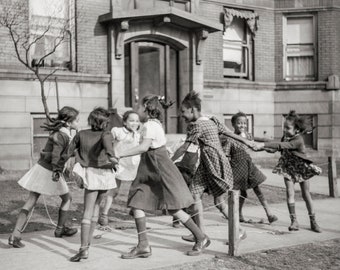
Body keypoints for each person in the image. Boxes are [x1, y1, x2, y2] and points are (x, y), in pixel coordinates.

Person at [117, 95, 210, 259]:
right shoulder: (152, 124)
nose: (137, 110)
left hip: (158, 168)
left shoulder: (150, 126)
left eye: (140, 107)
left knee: (173, 207)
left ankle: (201, 237)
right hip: (150, 169)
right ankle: (143, 245)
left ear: (147, 109)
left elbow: (144, 147)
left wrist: (120, 154)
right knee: (137, 203)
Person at [171, 91, 253, 243]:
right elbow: (228, 133)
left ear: (193, 110)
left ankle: (239, 231)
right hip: (206, 162)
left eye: (183, 112)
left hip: (215, 163)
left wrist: (169, 162)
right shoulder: (212, 120)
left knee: (219, 201)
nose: (181, 115)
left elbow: (184, 148)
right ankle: (200, 234)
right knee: (195, 195)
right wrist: (246, 142)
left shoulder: (196, 125)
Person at [8, 106, 80, 248]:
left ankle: (15, 235)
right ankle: (60, 229)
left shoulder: (60, 133)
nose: (78, 123)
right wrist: (58, 170)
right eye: (77, 121)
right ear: (69, 122)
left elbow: (58, 153)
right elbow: (56, 156)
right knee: (67, 198)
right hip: (51, 171)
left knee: (32, 200)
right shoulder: (62, 135)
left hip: (42, 168)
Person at [254, 110, 322, 233]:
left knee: (306, 195)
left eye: (288, 128)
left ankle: (313, 221)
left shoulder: (298, 139)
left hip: (301, 168)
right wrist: (263, 148)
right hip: (288, 168)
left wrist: (263, 143)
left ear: (296, 129)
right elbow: (278, 148)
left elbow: (284, 146)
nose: (284, 130)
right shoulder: (286, 137)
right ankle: (294, 221)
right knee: (289, 193)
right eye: (284, 127)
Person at [69, 107, 119, 262]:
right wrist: (112, 157)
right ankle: (87, 244)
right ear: (105, 122)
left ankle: (83, 249)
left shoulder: (81, 134)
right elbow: (108, 146)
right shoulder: (106, 134)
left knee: (87, 212)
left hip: (91, 173)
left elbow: (69, 151)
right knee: (96, 208)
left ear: (91, 120)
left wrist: (61, 165)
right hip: (105, 174)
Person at [230, 111, 278, 224]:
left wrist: (267, 149)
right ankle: (237, 215)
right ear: (233, 124)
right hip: (237, 168)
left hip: (248, 165)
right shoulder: (231, 138)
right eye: (239, 123)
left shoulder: (248, 135)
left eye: (244, 123)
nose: (242, 125)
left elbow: (255, 147)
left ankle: (269, 213)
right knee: (240, 193)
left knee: (257, 189)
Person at [98, 110, 141, 226]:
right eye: (131, 120)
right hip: (120, 164)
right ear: (125, 122)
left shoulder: (138, 134)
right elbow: (108, 141)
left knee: (136, 188)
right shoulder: (118, 131)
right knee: (114, 190)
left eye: (137, 121)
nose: (135, 123)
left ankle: (134, 208)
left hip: (133, 164)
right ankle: (104, 214)